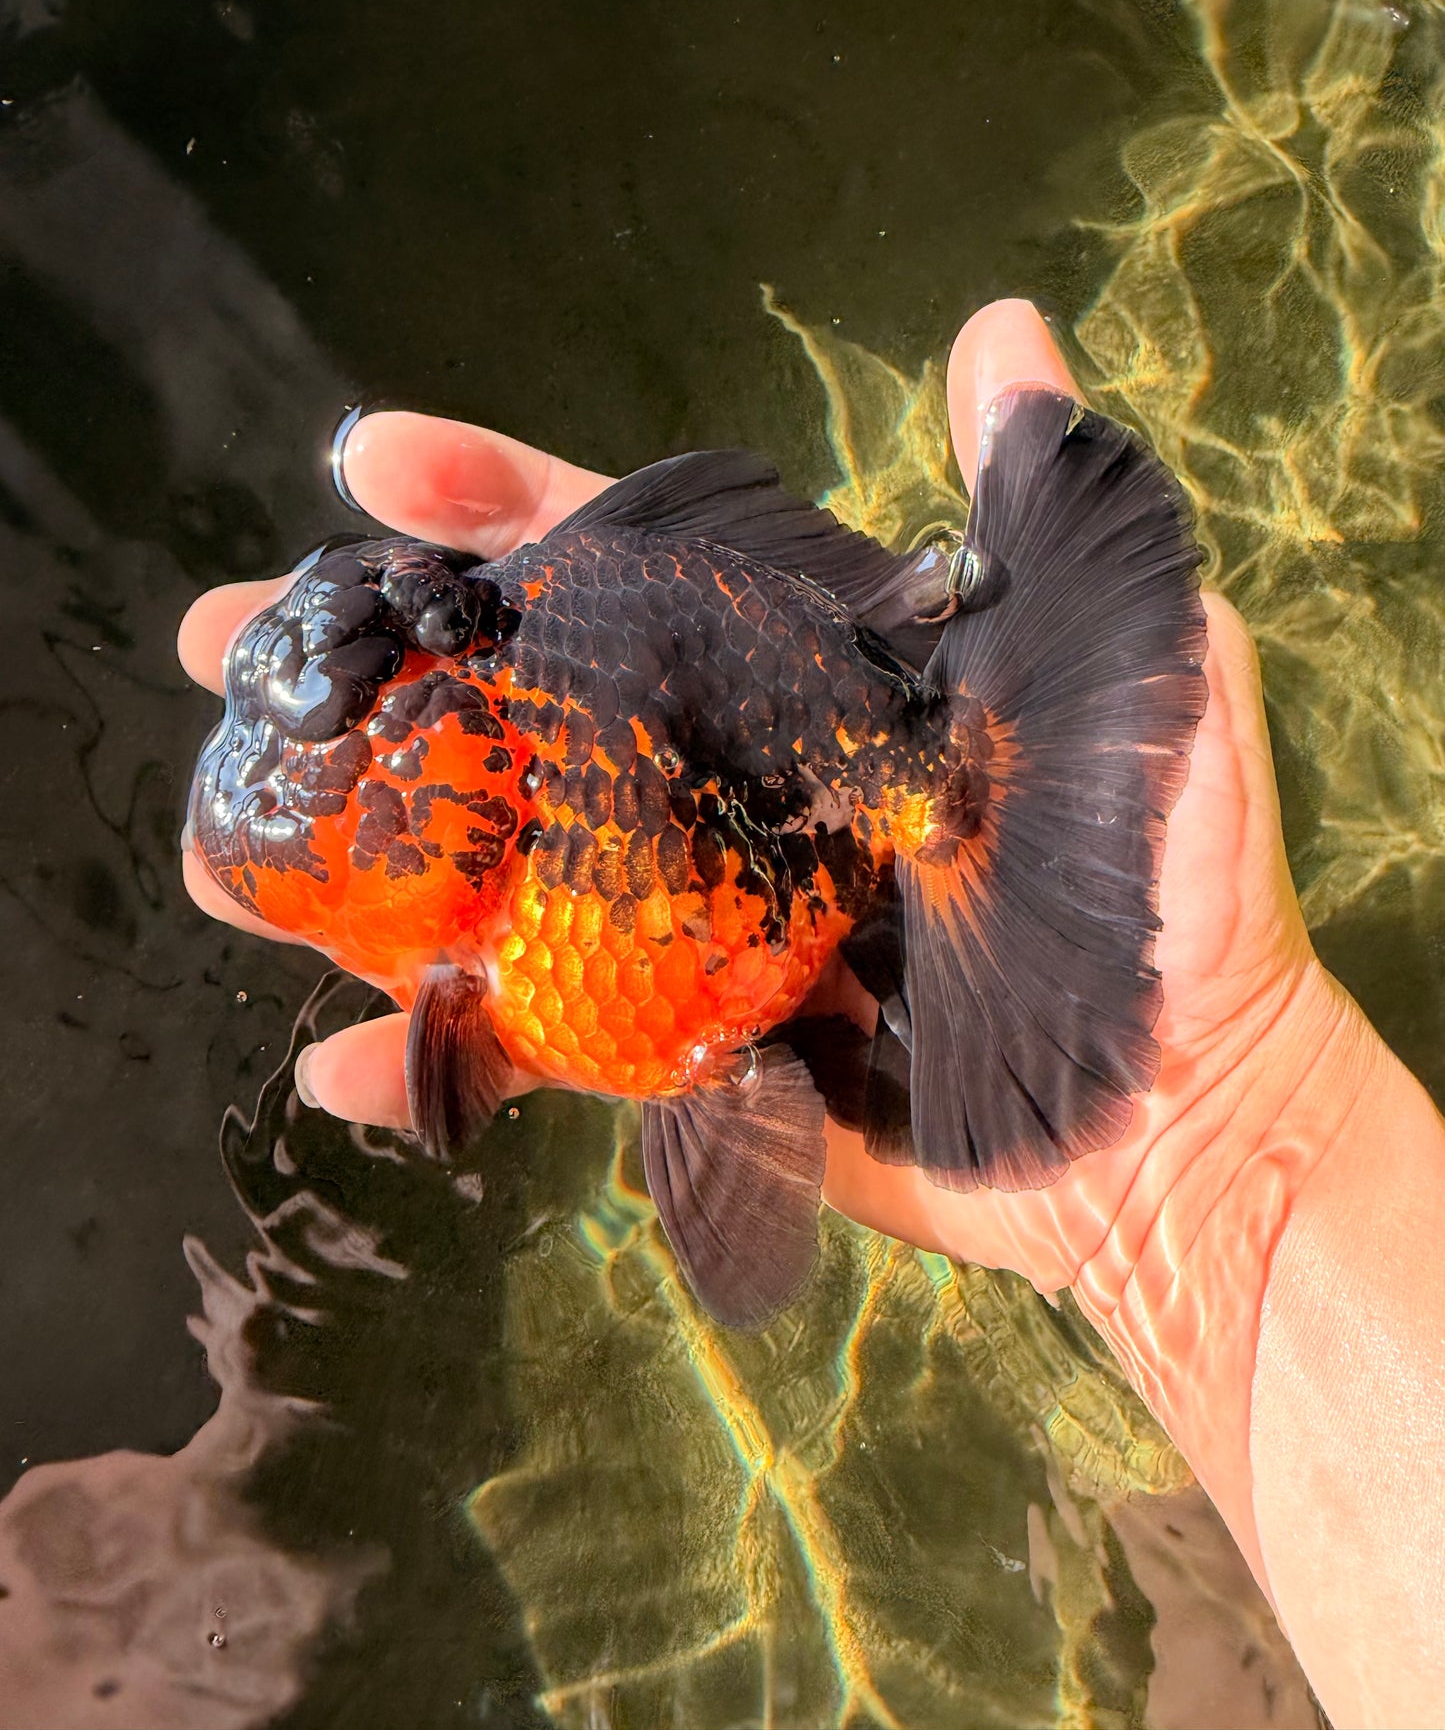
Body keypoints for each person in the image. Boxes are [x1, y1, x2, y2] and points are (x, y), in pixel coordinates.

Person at [179, 299, 1445, 1730]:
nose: (270, 817)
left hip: (802, 841)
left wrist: (1214, 1137)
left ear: (450, 777)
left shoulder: (538, 748)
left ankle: (973, 790)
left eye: (313, 790)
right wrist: (1215, 1182)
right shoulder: (472, 895)